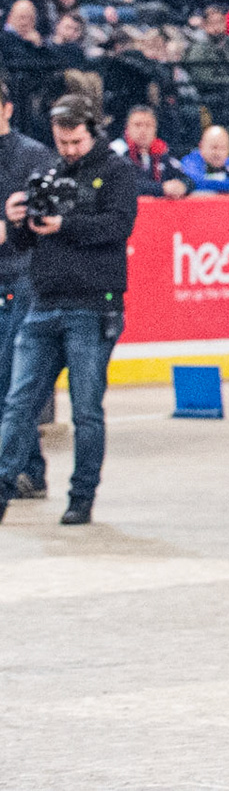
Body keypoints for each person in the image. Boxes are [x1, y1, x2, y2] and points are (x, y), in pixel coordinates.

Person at [0, 94, 142, 525]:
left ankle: (81, 496)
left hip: (92, 306)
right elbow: (27, 243)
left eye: (76, 141)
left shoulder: (116, 171)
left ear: (92, 131)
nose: (68, 150)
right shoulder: (48, 173)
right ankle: (3, 487)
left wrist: (66, 223)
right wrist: (15, 221)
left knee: (86, 410)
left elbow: (119, 227)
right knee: (18, 404)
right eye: (62, 142)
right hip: (43, 303)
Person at [0, 73, 56, 500]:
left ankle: (26, 470)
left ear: (7, 108)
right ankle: (28, 468)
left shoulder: (34, 156)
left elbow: (45, 215)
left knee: (12, 380)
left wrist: (13, 223)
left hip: (22, 275)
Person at [111, 105, 189, 198]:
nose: (143, 130)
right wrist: (162, 189)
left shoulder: (161, 151)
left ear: (155, 129)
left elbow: (186, 178)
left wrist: (182, 186)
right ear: (127, 128)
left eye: (148, 125)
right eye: (137, 125)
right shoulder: (116, 151)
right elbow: (122, 184)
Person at [179, 125, 229, 195]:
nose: (218, 153)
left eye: (223, 148)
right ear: (201, 146)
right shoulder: (190, 161)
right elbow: (195, 182)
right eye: (214, 147)